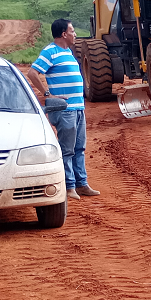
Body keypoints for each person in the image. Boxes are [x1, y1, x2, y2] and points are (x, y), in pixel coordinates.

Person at [28, 19, 99, 200]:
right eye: (72, 31)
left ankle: (81, 184)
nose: (75, 34)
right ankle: (69, 187)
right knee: (67, 149)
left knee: (79, 148)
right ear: (63, 34)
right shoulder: (50, 52)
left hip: (77, 108)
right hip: (65, 109)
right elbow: (32, 73)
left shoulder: (68, 52)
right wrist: (47, 94)